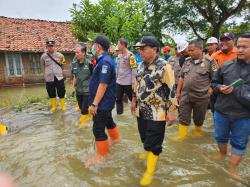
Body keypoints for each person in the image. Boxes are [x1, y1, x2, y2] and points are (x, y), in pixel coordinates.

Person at [132, 36, 178, 186]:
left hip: (157, 111)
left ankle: (150, 172)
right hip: (141, 109)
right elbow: (136, 84)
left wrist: (172, 111)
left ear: (154, 49)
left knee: (155, 142)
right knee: (144, 136)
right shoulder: (140, 65)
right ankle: (147, 151)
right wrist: (133, 100)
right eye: (139, 49)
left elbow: (171, 89)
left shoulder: (164, 67)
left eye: (143, 49)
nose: (140, 52)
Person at [211, 32, 250, 180]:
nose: (240, 50)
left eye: (245, 47)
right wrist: (219, 87)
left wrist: (237, 90)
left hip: (244, 116)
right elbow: (213, 83)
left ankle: (233, 168)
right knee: (220, 137)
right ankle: (222, 154)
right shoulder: (226, 66)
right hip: (222, 111)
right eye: (239, 46)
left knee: (239, 143)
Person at [172, 40, 217, 141]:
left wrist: (211, 89)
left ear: (200, 49)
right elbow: (181, 77)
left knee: (199, 118)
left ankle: (198, 132)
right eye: (189, 50)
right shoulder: (187, 61)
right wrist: (178, 92)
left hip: (201, 96)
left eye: (192, 50)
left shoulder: (210, 62)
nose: (190, 52)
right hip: (185, 95)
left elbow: (215, 79)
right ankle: (182, 135)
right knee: (183, 116)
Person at [86, 35, 121, 165]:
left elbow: (103, 84)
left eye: (94, 45)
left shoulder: (105, 61)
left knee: (98, 129)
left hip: (102, 102)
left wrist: (94, 104)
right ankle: (117, 139)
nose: (92, 47)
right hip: (106, 101)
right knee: (109, 122)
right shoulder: (103, 59)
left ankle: (103, 156)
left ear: (99, 46)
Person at [210, 33, 237, 113]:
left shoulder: (239, 54)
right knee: (216, 111)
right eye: (222, 40)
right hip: (217, 89)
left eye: (227, 40)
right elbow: (211, 72)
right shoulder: (214, 56)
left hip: (236, 89)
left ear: (234, 41)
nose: (224, 42)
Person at [40, 40, 66, 112]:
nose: (51, 48)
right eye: (49, 46)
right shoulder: (43, 57)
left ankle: (63, 106)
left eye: (52, 46)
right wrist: (44, 76)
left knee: (61, 91)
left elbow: (63, 65)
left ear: (54, 46)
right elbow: (42, 67)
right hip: (49, 77)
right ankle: (54, 107)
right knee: (51, 92)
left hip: (59, 77)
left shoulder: (60, 55)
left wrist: (64, 74)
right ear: (46, 47)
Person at [71, 43, 93, 128]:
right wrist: (73, 88)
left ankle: (83, 125)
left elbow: (94, 76)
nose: (76, 54)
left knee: (84, 109)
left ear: (83, 53)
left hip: (87, 90)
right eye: (75, 53)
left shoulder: (89, 63)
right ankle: (88, 117)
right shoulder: (74, 64)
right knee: (80, 107)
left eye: (78, 52)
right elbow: (74, 77)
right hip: (79, 90)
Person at [116, 38, 136, 115]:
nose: (117, 46)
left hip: (128, 82)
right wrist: (116, 79)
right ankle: (119, 115)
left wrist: (133, 82)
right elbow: (117, 68)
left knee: (132, 99)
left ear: (123, 45)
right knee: (118, 99)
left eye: (118, 44)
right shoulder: (119, 55)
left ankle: (136, 114)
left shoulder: (131, 56)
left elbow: (134, 70)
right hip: (119, 82)